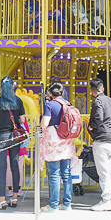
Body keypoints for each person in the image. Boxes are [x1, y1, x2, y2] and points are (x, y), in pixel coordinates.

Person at [0, 76, 27, 209]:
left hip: (1, 136)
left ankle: (2, 200)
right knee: (15, 166)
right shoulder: (18, 101)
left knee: (2, 168)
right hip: (14, 137)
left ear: (1, 87)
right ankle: (15, 198)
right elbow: (22, 120)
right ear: (12, 86)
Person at [40, 83, 75, 212]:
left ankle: (53, 205)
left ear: (50, 93)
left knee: (54, 173)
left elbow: (44, 123)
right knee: (66, 173)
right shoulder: (68, 104)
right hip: (66, 142)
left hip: (53, 143)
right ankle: (67, 203)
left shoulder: (50, 105)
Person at [88, 77, 111, 212]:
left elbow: (98, 118)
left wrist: (92, 127)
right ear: (103, 89)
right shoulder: (110, 100)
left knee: (103, 171)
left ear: (92, 91)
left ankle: (105, 200)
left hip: (101, 139)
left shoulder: (98, 101)